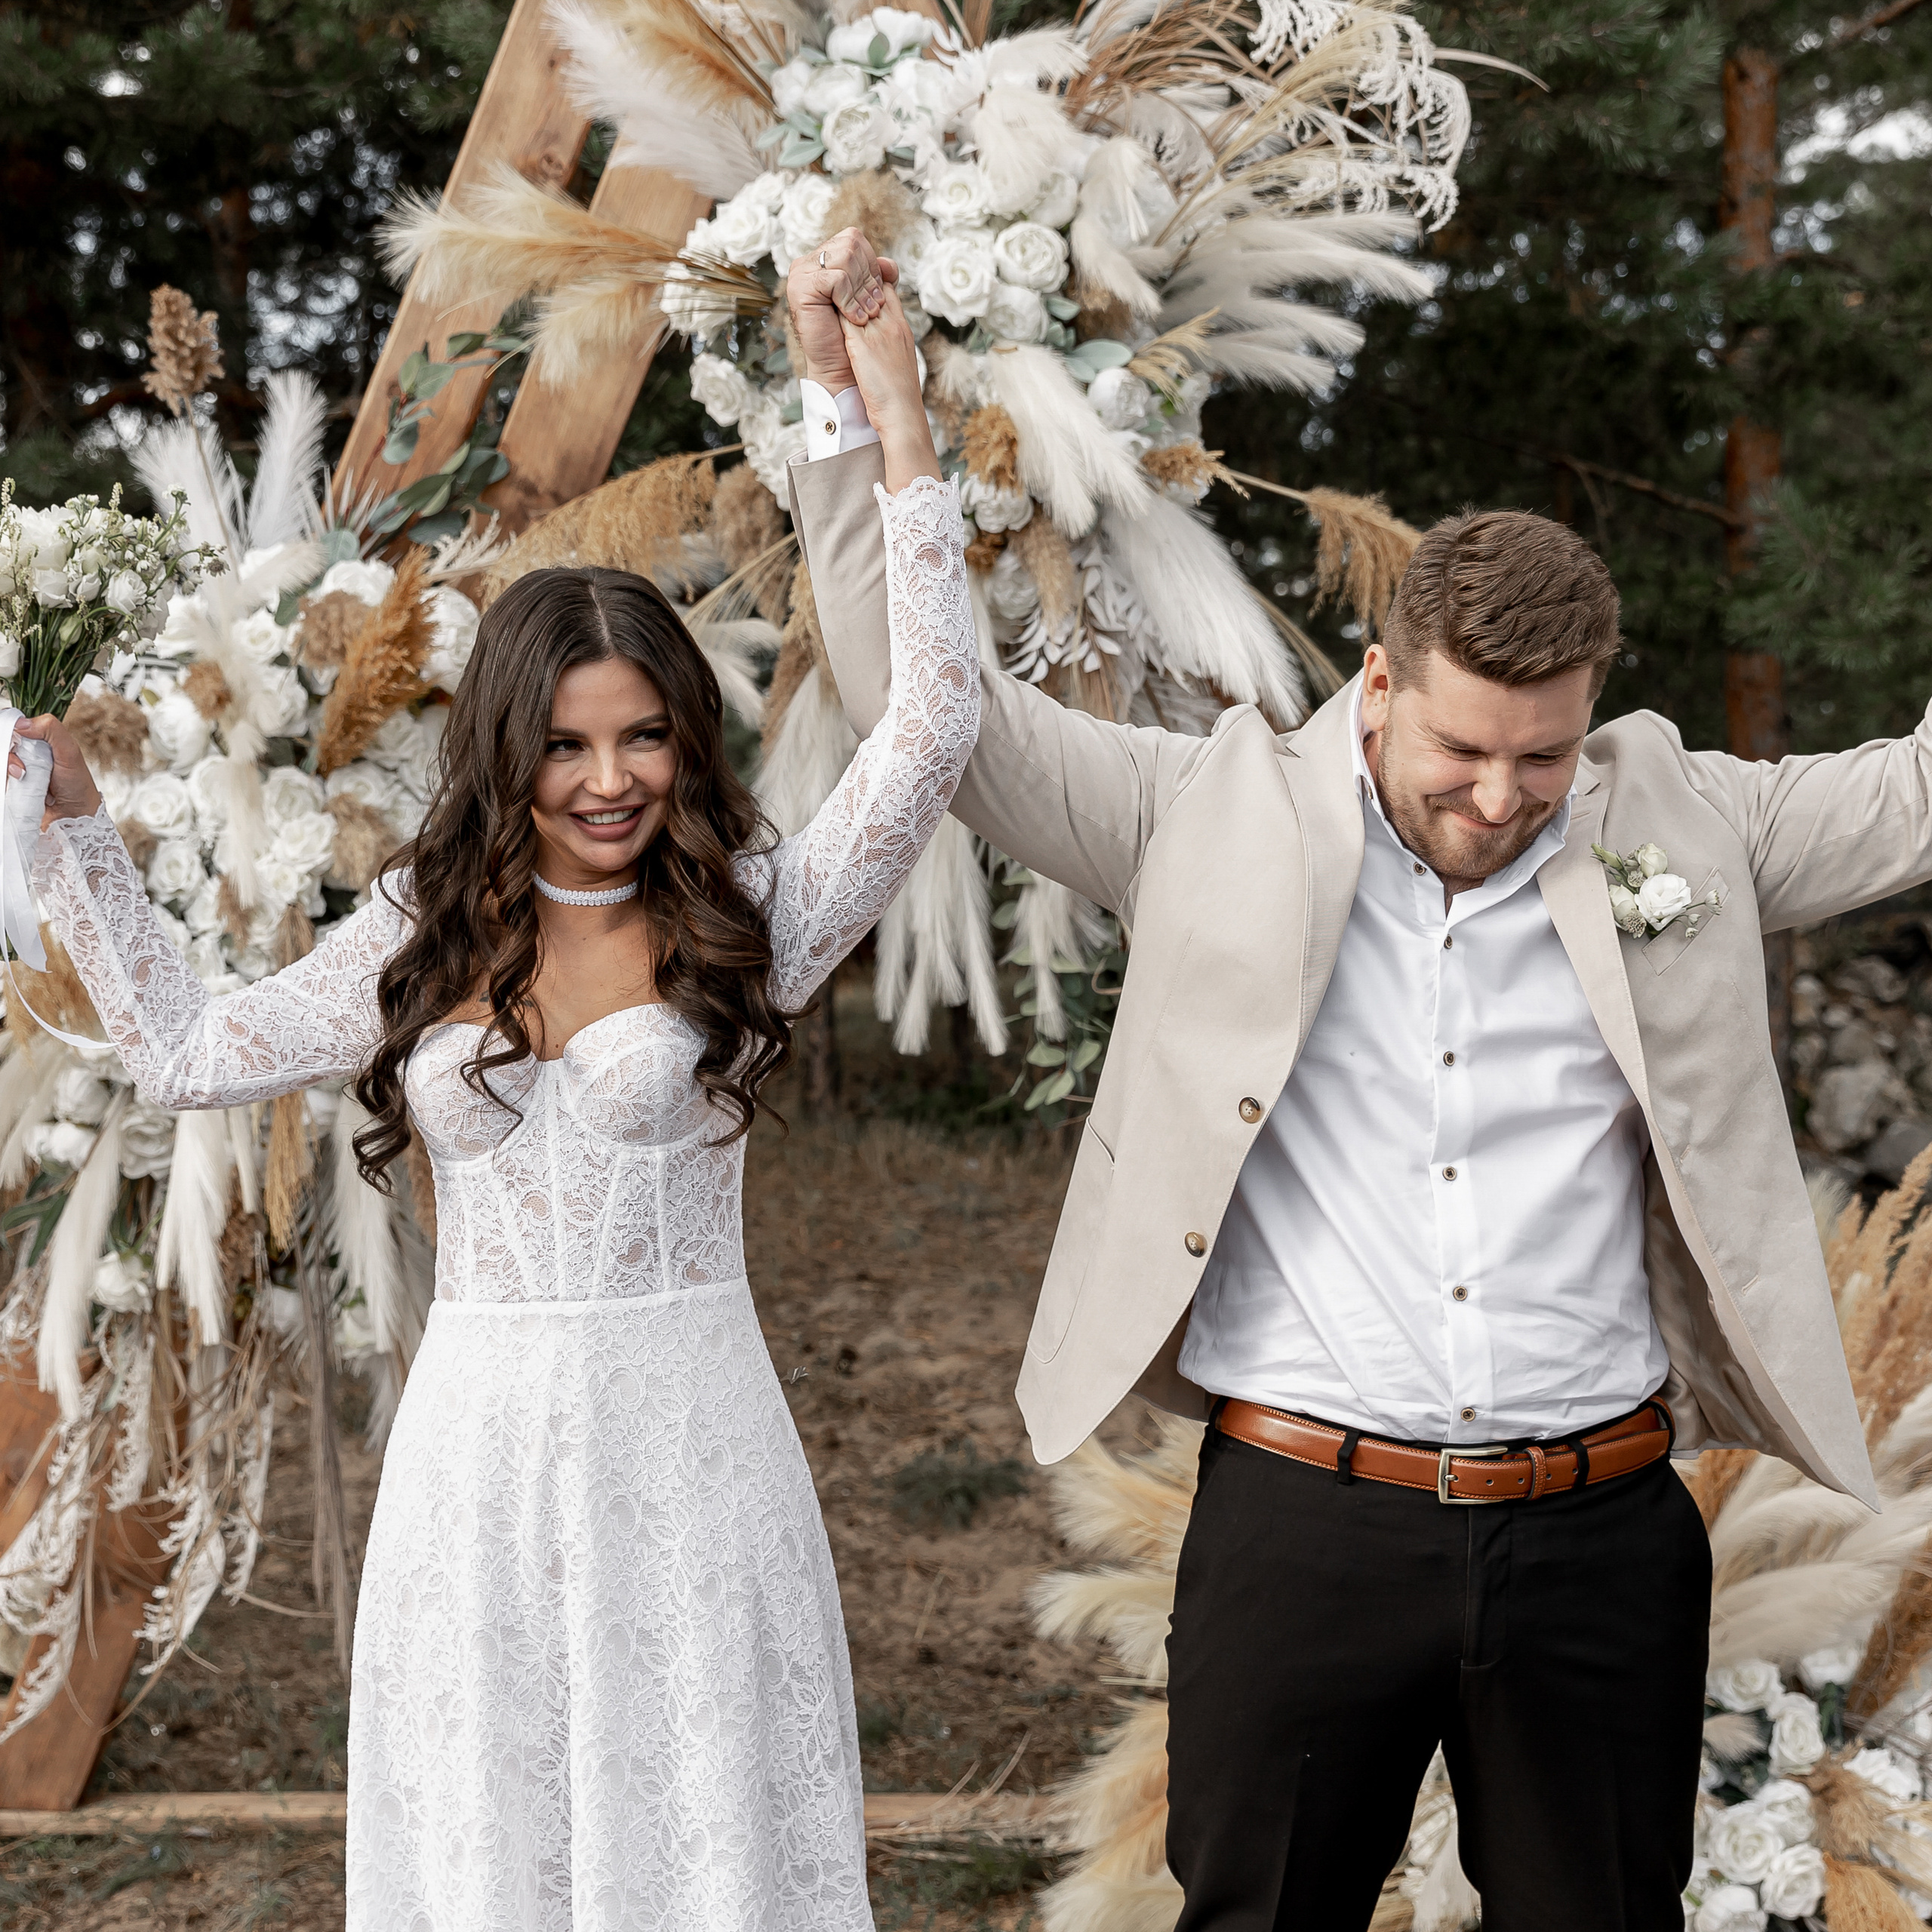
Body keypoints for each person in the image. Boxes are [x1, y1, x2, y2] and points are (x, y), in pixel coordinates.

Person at [785, 229, 1925, 1931]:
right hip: (1303, 1523)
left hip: (1602, 1528)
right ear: (1379, 683)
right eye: (1461, 747)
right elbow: (927, 717)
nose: (1499, 791)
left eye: (1542, 754)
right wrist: (857, 409)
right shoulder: (1202, 806)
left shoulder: (1680, 820)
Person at [12, 291, 968, 1932]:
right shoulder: (414, 933)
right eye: (568, 744)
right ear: (503, 748)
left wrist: (889, 425)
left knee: (704, 1828)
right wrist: (81, 827)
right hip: (480, 1451)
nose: (610, 779)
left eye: (646, 736)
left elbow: (934, 725)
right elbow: (178, 1044)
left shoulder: (757, 917)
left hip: (689, 1434)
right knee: (490, 1835)